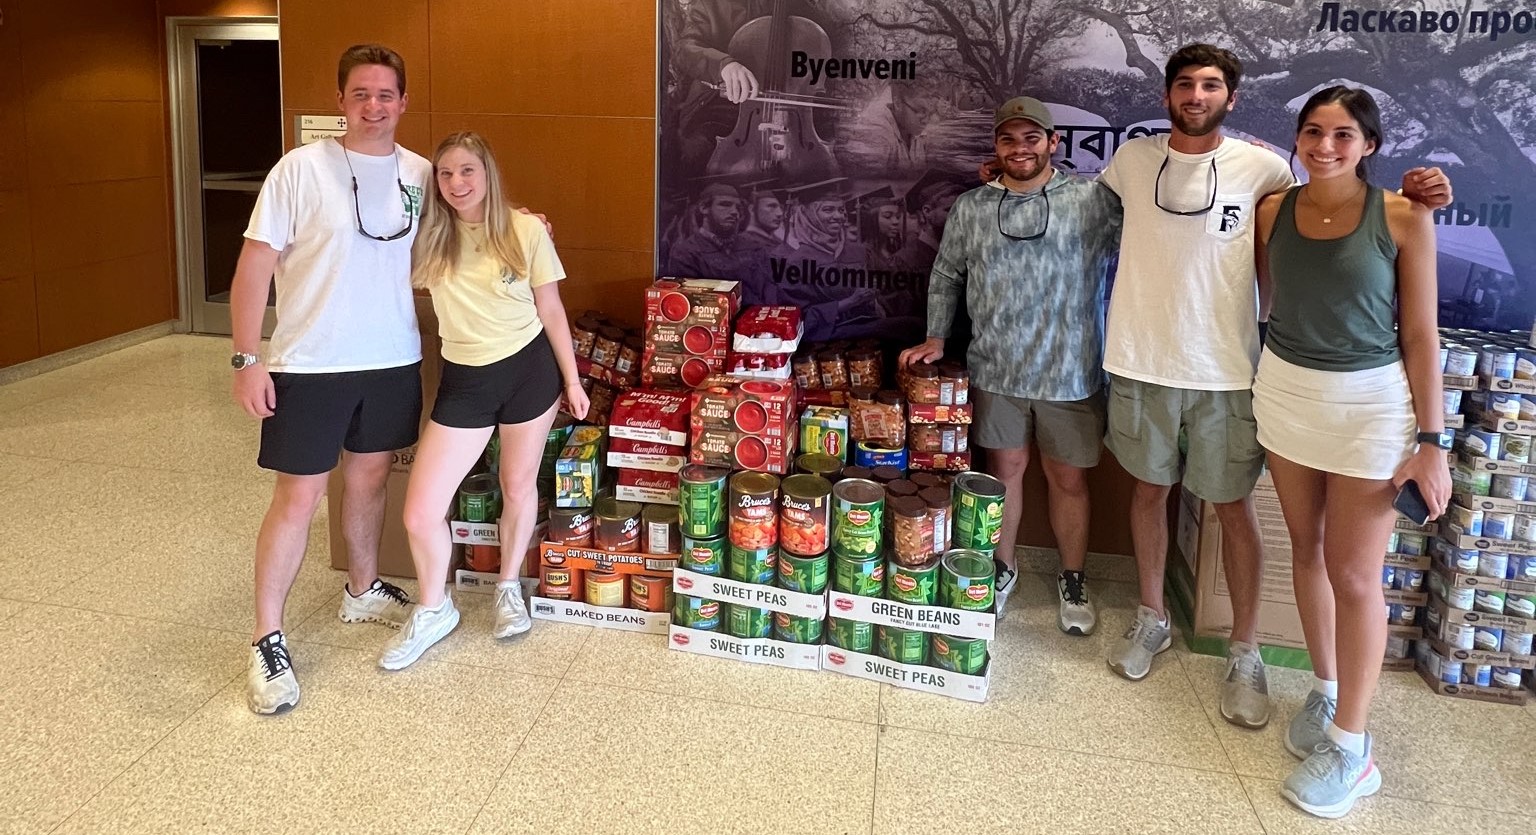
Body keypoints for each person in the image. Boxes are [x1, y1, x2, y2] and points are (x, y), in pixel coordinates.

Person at [1096, 44, 1452, 731]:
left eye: (1210, 85)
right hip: (1140, 360)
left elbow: (1312, 257)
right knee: (1149, 493)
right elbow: (1085, 200)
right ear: (1167, 94)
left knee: (1235, 508)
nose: (1195, 95)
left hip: (1230, 370)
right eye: (1184, 84)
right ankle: (1150, 617)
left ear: (1232, 98)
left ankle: (1247, 649)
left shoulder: (1264, 173)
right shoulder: (1132, 162)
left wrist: (1430, 193)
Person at [1252, 87, 1448, 818]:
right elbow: (1271, 302)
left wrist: (1431, 443)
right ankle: (1328, 690)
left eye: (1342, 134)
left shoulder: (1402, 214)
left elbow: (1421, 336)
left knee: (1356, 575)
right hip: (1284, 394)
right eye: (1312, 132)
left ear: (1369, 144)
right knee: (1305, 549)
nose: (1324, 145)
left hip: (1369, 407)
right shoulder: (1273, 212)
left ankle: (1355, 747)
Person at [231, 44, 430, 715]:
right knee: (300, 494)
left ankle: (362, 589)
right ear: (341, 101)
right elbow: (255, 265)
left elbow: (471, 233)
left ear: (404, 102)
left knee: (370, 475)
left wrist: (529, 227)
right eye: (360, 94)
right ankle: (266, 637)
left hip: (391, 357)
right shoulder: (299, 170)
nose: (373, 106)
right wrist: (245, 356)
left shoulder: (421, 174)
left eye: (385, 95)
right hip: (309, 362)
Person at [901, 97, 1121, 633]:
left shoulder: (1095, 202)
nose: (1020, 149)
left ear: (1054, 143)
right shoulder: (972, 206)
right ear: (995, 147)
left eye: (1031, 138)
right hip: (995, 369)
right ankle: (1005, 567)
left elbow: (1158, 230)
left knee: (1068, 480)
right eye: (1008, 140)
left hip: (1071, 372)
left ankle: (1072, 577)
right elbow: (947, 274)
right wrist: (936, 335)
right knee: (1006, 475)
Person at [378, 132, 589, 670]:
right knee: (421, 510)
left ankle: (508, 585)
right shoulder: (428, 236)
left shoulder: (524, 230)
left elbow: (552, 309)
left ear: (487, 173)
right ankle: (434, 608)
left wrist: (572, 380)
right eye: (445, 174)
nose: (456, 183)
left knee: (517, 485)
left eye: (467, 171)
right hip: (465, 382)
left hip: (529, 373)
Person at [667, 183, 745, 278]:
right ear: (704, 208)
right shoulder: (686, 253)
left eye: (738, 207)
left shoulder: (752, 248)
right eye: (725, 204)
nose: (734, 212)